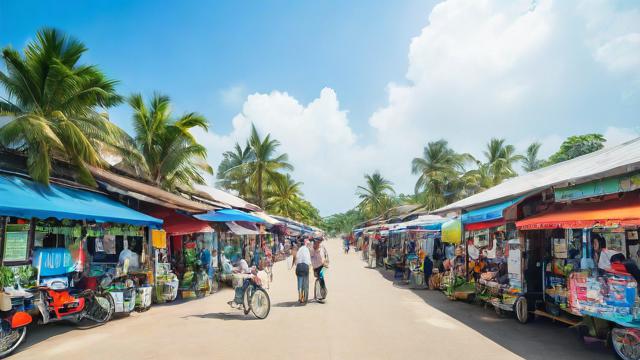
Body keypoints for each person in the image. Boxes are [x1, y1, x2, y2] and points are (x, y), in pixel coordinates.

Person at [293, 237, 312, 304]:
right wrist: (309, 267)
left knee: (299, 283)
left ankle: (300, 297)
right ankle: (304, 297)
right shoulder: (306, 249)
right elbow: (309, 260)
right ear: (304, 243)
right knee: (305, 283)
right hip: (305, 267)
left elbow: (296, 260)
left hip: (299, 267)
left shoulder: (298, 250)